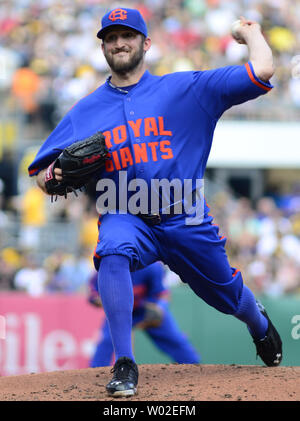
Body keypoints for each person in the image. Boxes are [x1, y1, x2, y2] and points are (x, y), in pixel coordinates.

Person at [28, 8, 283, 397]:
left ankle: (258, 323)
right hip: (125, 210)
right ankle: (124, 363)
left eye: (126, 35)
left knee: (227, 295)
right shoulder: (86, 110)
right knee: (112, 248)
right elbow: (42, 175)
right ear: (103, 47)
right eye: (110, 37)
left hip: (185, 215)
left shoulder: (187, 90)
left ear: (145, 43)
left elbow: (262, 70)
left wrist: (249, 32)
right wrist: (53, 177)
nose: (118, 43)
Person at [88, 262, 200, 367]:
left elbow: (163, 295)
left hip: (146, 309)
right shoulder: (107, 267)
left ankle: (193, 367)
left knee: (175, 339)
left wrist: (160, 308)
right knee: (107, 340)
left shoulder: (151, 266)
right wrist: (111, 302)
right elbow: (93, 296)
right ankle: (96, 373)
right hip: (119, 312)